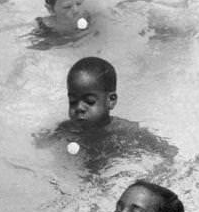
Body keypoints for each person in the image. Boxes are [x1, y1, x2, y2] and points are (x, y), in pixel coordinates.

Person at [36, 57, 178, 171]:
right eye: (73, 101)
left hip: (116, 171)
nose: (79, 108)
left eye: (89, 101)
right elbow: (41, 144)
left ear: (111, 100)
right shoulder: (67, 128)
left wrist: (164, 167)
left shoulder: (126, 131)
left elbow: (167, 152)